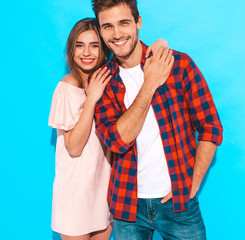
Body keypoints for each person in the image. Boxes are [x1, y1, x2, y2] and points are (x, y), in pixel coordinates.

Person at [91, 0, 224, 239]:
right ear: (100, 31)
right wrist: (150, 83)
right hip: (127, 206)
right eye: (108, 26)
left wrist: (192, 183)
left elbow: (210, 126)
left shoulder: (178, 64)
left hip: (179, 204)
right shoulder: (103, 82)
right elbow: (117, 141)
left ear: (138, 22)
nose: (117, 33)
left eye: (124, 22)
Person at [48, 18, 170, 240]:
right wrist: (91, 99)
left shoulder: (110, 81)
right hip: (75, 195)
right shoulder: (67, 88)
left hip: (105, 192)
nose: (87, 52)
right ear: (71, 49)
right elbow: (74, 148)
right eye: (79, 45)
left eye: (94, 45)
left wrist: (161, 43)